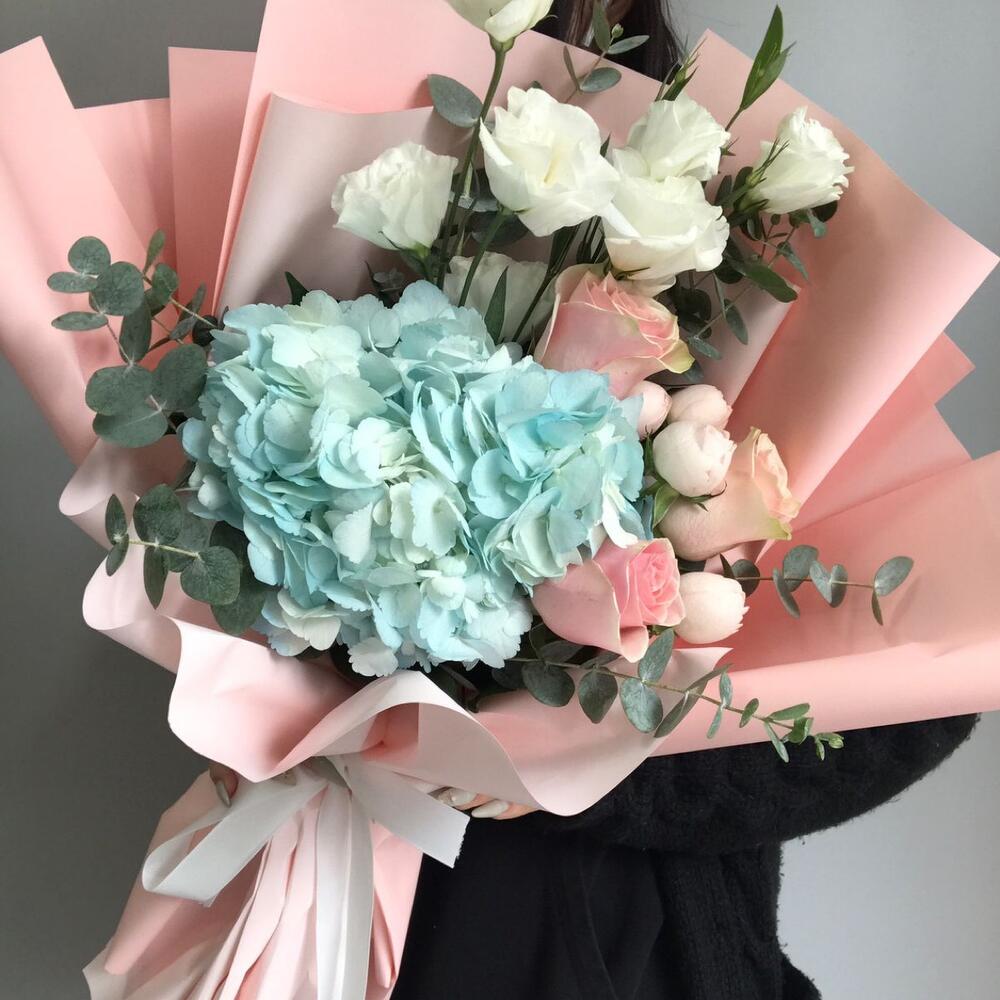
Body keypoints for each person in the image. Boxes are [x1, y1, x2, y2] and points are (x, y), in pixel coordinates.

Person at [211, 5, 977, 997]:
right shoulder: (338, 245)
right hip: (360, 905)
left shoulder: (736, 285)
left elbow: (914, 695)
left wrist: (587, 770)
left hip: (637, 950)